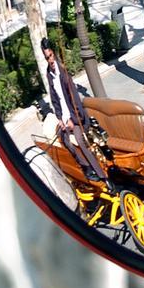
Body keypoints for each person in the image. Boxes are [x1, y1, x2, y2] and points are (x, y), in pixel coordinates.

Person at [41, 38, 107, 182]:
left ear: (54, 54)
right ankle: (84, 167)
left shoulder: (63, 72)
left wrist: (73, 120)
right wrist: (60, 119)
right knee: (62, 138)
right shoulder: (49, 74)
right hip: (65, 118)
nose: (50, 60)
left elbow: (75, 100)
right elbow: (55, 99)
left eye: (51, 56)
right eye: (47, 58)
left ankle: (101, 174)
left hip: (77, 118)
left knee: (80, 140)